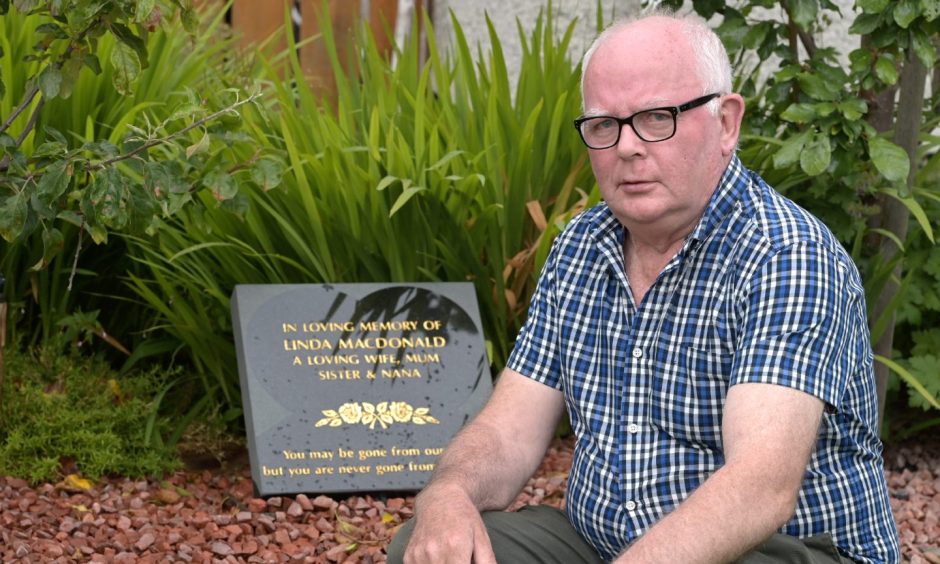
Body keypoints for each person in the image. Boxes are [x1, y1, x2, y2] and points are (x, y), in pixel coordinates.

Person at [388, 9, 901, 564]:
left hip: (780, 551)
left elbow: (760, 487)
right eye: (605, 125)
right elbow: (508, 432)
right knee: (429, 552)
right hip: (606, 545)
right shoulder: (580, 247)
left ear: (726, 123)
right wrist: (447, 496)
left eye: (657, 117)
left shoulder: (786, 255)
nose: (628, 146)